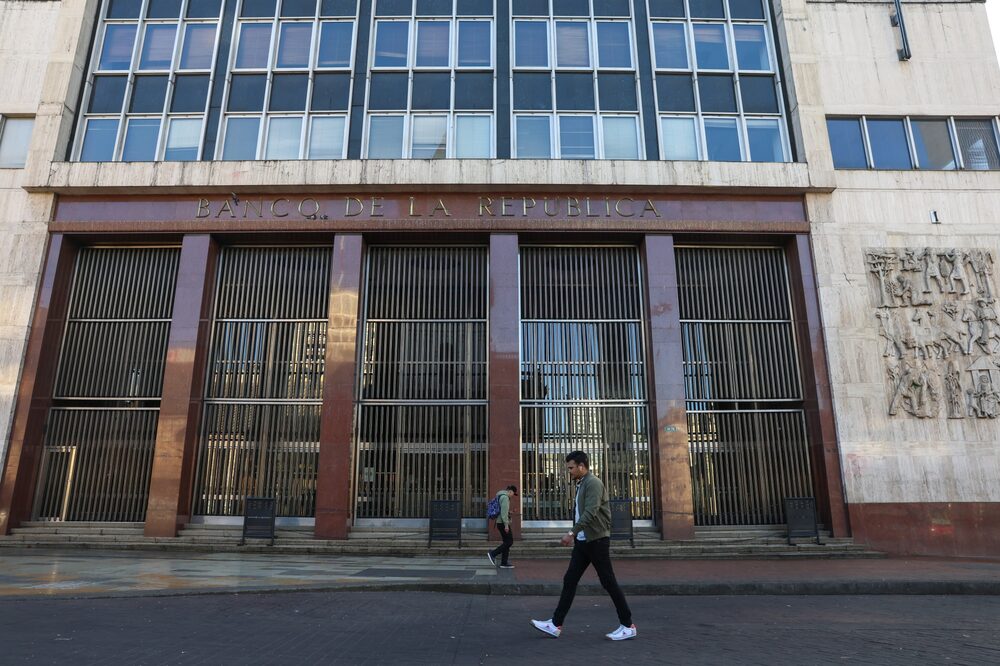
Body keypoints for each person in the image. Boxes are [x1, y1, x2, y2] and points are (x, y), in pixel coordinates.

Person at [531, 451, 636, 641]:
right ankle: (555, 624)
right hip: (583, 541)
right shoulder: (582, 483)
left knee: (608, 582)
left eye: (571, 467)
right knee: (570, 580)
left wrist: (571, 532)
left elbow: (591, 512)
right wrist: (577, 535)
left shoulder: (593, 483)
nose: (569, 471)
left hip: (596, 541)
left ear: (581, 466)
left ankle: (628, 625)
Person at [487, 485, 517, 569]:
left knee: (506, 542)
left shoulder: (500, 496)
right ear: (510, 491)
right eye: (513, 494)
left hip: (500, 522)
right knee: (509, 542)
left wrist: (510, 512)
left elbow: (502, 511)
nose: (512, 496)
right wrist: (506, 525)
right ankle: (493, 553)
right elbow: (503, 514)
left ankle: (504, 562)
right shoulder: (505, 498)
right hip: (503, 523)